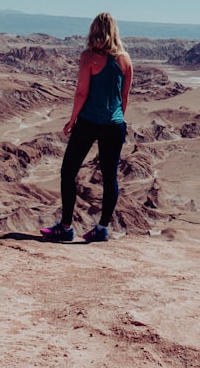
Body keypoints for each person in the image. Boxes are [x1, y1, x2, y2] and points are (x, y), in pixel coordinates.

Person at [41, 12, 133, 243]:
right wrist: (117, 118)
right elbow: (125, 96)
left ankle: (65, 227)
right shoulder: (125, 59)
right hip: (115, 125)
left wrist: (72, 120)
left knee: (68, 172)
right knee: (110, 178)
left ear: (94, 31)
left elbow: (81, 92)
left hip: (89, 123)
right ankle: (102, 229)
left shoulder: (89, 57)